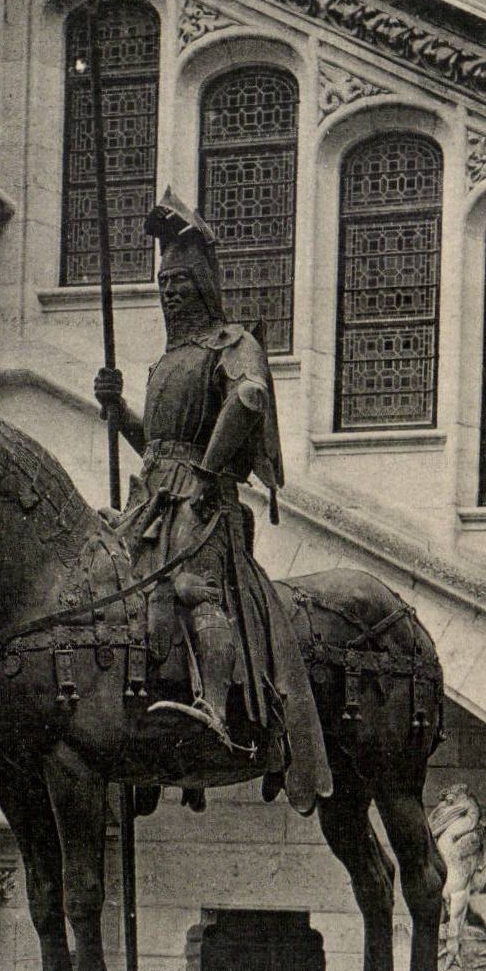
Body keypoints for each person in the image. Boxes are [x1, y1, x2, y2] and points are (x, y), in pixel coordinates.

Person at [94, 189, 331, 814]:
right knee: (112, 587)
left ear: (203, 284)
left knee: (193, 591)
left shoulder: (235, 343)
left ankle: (215, 711)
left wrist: (206, 473)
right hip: (153, 496)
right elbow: (156, 441)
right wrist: (119, 413)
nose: (171, 291)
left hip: (203, 502)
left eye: (181, 281)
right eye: (163, 282)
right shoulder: (169, 360)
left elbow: (250, 397)